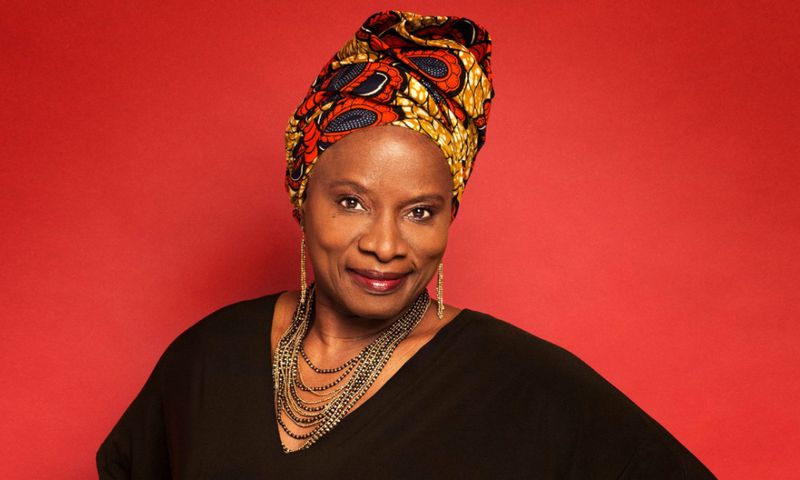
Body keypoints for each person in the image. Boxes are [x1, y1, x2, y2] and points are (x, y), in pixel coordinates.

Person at [97, 11, 715, 479]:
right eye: (352, 203)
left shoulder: (520, 383)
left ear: (450, 217)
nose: (386, 244)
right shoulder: (208, 358)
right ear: (302, 199)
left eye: (420, 212)